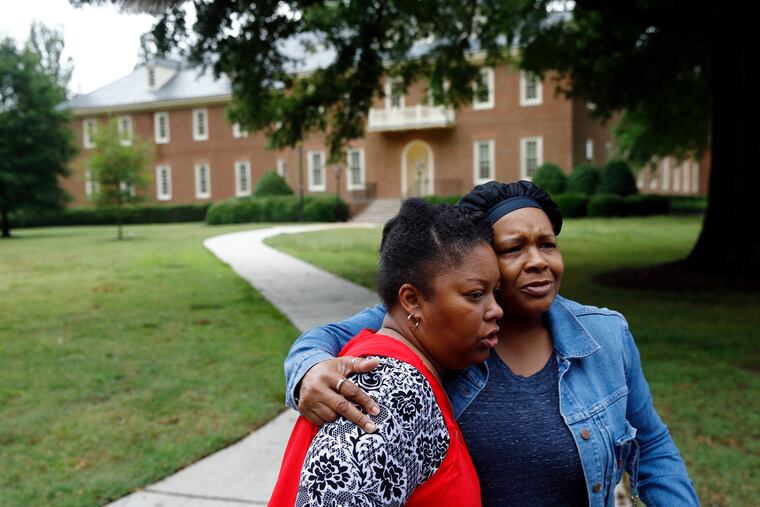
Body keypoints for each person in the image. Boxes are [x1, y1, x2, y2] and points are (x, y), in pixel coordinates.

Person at [284, 181, 699, 507]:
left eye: (548, 244)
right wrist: (308, 369)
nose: (538, 260)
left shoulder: (605, 336)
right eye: (514, 248)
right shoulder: (446, 332)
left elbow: (653, 445)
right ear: (478, 258)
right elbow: (338, 336)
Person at [270, 198, 503, 506]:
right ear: (412, 300)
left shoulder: (388, 364)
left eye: (494, 293)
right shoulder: (392, 389)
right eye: (475, 295)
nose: (496, 310)